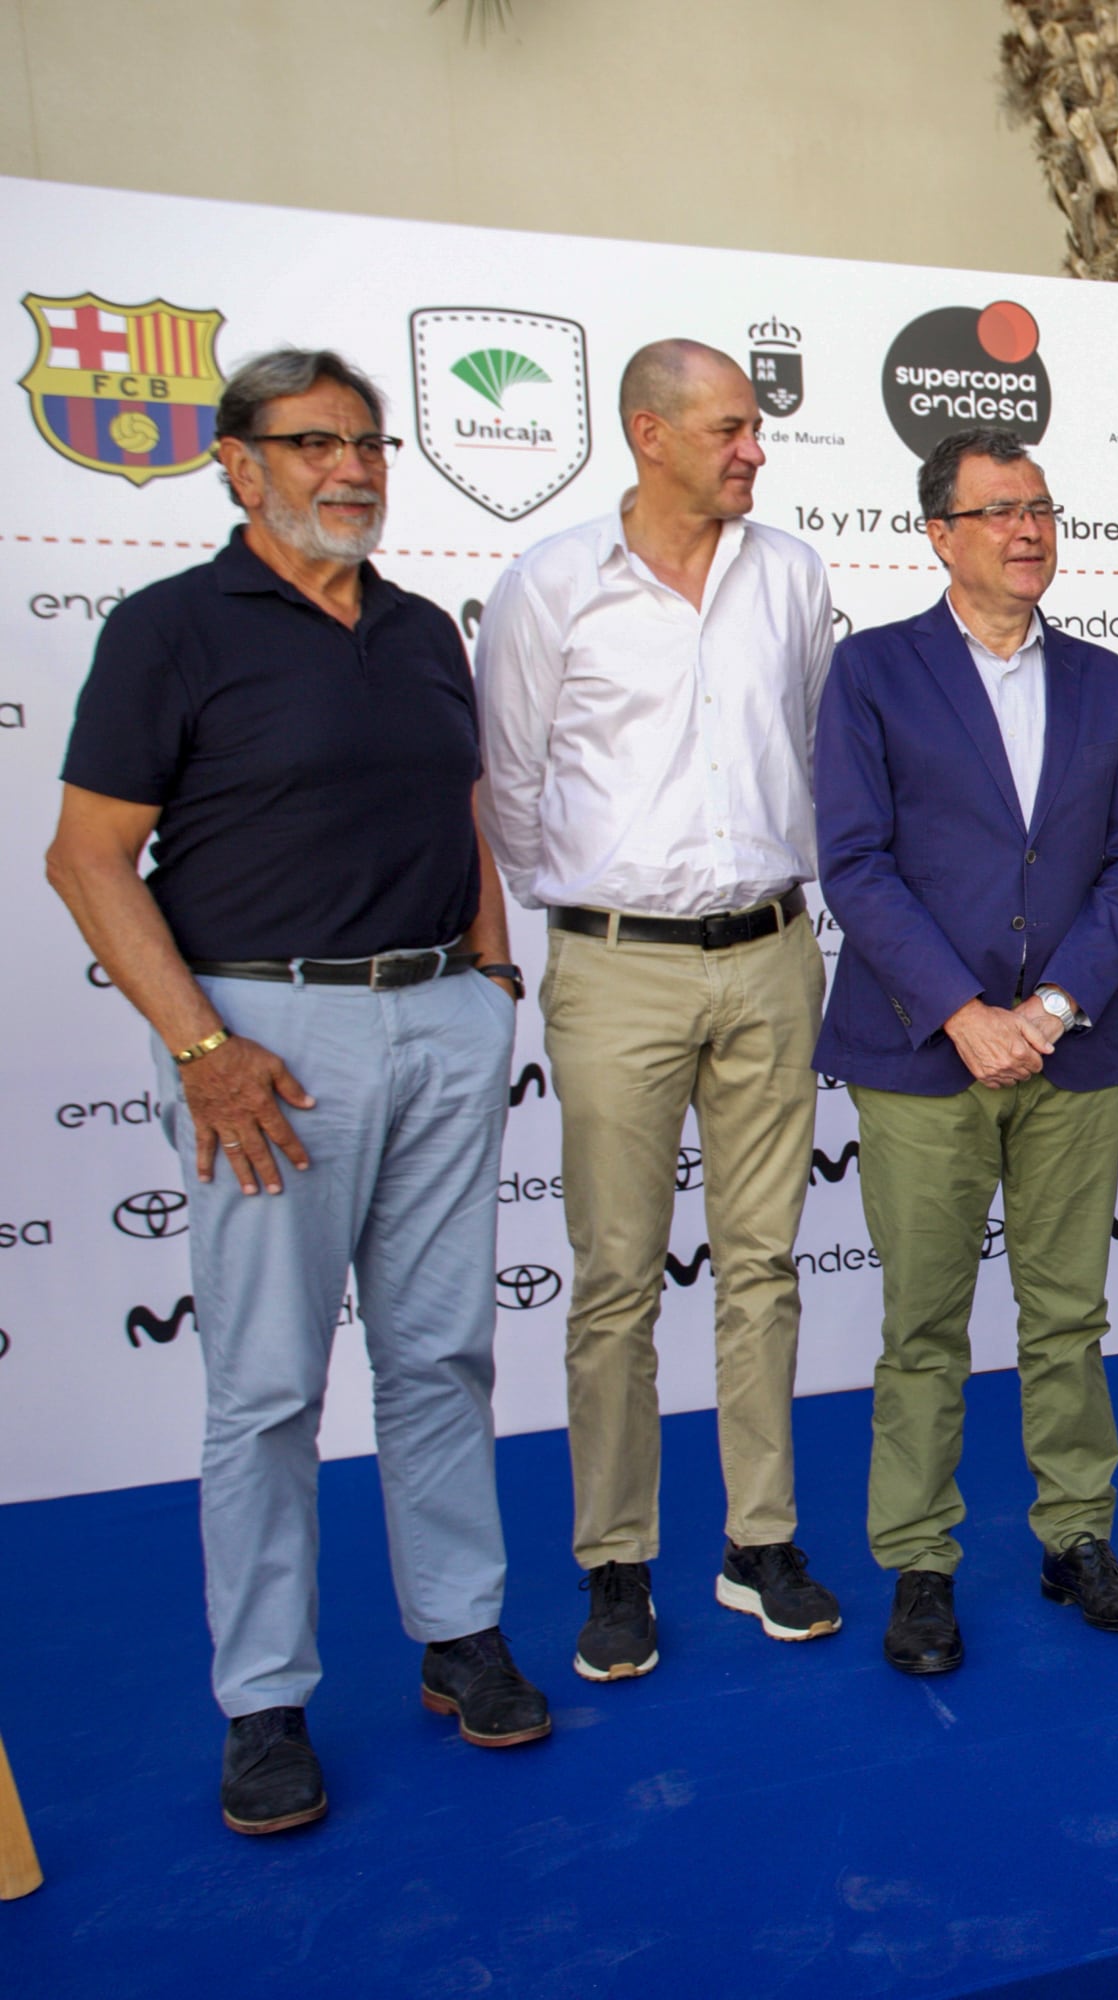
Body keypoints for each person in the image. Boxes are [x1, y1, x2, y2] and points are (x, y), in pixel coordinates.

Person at [45, 348, 549, 1837]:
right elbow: (88, 858)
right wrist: (205, 1051)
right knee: (267, 1388)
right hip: (265, 1046)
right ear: (237, 463)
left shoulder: (414, 631)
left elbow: (465, 808)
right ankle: (263, 1701)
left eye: (370, 443)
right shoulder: (170, 631)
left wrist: (491, 974)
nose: (353, 468)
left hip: (439, 1021)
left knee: (443, 1354)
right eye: (315, 442)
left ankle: (460, 1635)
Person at [476, 339, 840, 1681]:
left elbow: (812, 748)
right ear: (650, 433)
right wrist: (599, 902)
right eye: (732, 428)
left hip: (769, 955)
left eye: (754, 429)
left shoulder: (792, 574)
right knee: (617, 1277)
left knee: (762, 1267)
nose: (754, 448)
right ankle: (614, 1561)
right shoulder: (549, 586)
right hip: (613, 964)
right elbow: (512, 786)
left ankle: (760, 1544)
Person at [813, 427, 1118, 1674]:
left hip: (1068, 1053)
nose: (1029, 528)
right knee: (925, 1321)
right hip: (921, 1053)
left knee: (1068, 1314)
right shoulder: (872, 672)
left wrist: (1057, 1004)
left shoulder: (1107, 681)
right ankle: (919, 1559)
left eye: (1043, 507)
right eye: (1000, 508)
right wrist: (965, 1010)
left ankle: (1078, 1536)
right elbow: (853, 861)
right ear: (940, 533)